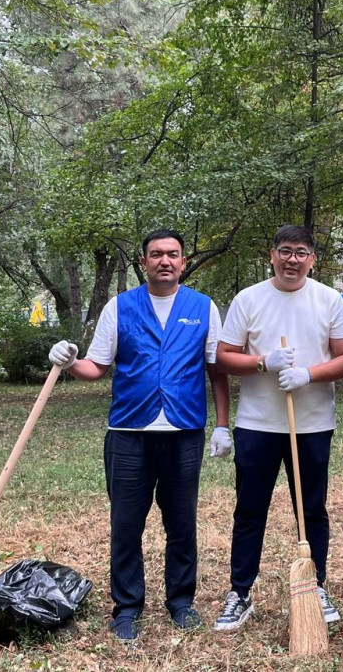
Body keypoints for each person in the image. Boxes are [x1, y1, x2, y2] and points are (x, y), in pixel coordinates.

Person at [47, 229, 230, 640]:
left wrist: (221, 425)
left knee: (181, 522)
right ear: (143, 262)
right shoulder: (120, 306)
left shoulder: (202, 307)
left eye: (173, 255)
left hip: (184, 432)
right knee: (126, 524)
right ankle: (127, 607)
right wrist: (69, 360)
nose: (165, 261)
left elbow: (216, 370)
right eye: (156, 255)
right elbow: (97, 366)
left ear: (183, 262)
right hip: (129, 432)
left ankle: (181, 602)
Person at [212, 224, 343, 631]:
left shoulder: (328, 299)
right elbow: (223, 357)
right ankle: (240, 592)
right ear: (272, 254)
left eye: (302, 252)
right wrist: (262, 362)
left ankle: (317, 586)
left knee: (311, 510)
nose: (293, 259)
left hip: (312, 424)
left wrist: (308, 374)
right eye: (286, 251)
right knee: (250, 509)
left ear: (313, 259)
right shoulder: (249, 299)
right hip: (257, 424)